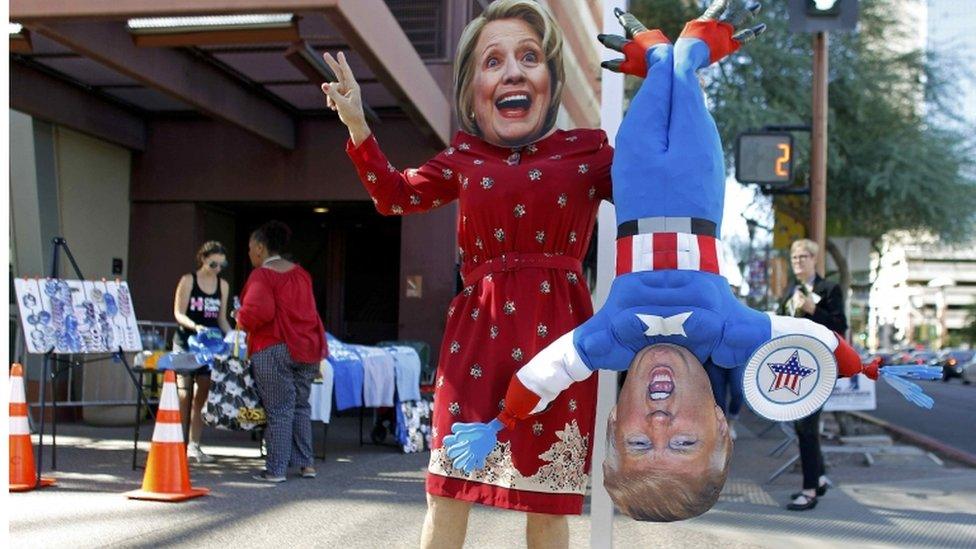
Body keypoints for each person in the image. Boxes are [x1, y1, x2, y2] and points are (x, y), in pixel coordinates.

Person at [442, 4, 880, 522]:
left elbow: (544, 374)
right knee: (684, 80)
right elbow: (814, 339)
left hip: (637, 179)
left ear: (612, 424)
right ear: (721, 424)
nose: (660, 421)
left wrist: (502, 421)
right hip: (698, 182)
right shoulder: (731, 332)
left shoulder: (610, 339)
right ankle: (692, 51)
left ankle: (656, 55)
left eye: (639, 444)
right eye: (685, 441)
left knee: (657, 86)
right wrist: (867, 365)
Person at [324, 1, 611, 545]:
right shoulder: (463, 156)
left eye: (529, 56)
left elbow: (660, 188)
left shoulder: (590, 152)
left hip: (560, 345)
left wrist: (672, 82)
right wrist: (358, 123)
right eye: (492, 60)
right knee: (446, 492)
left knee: (549, 505)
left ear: (551, 74)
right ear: (472, 88)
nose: (513, 72)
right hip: (476, 340)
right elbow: (394, 195)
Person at [236, 221, 327, 483]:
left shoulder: (262, 275)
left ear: (261, 248)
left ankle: (275, 470)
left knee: (279, 409)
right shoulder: (301, 274)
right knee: (300, 406)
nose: (250, 253)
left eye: (251, 248)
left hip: (274, 347)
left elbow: (257, 313)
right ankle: (306, 464)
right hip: (307, 348)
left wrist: (238, 315)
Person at [777, 238, 847, 511]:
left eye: (803, 257)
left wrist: (813, 310)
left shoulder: (829, 289)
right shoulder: (788, 292)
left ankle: (809, 491)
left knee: (807, 427)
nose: (798, 262)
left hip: (819, 366)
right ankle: (817, 480)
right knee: (803, 426)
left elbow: (840, 326)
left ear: (814, 259)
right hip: (792, 365)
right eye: (794, 257)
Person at [172, 240, 232, 463]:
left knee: (203, 393)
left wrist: (233, 337)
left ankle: (194, 445)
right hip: (187, 341)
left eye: (221, 266)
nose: (217, 269)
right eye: (213, 264)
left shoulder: (222, 285)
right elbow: (178, 313)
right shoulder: (189, 280)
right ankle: (177, 441)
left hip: (210, 344)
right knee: (184, 392)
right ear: (203, 259)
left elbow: (221, 318)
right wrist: (195, 326)